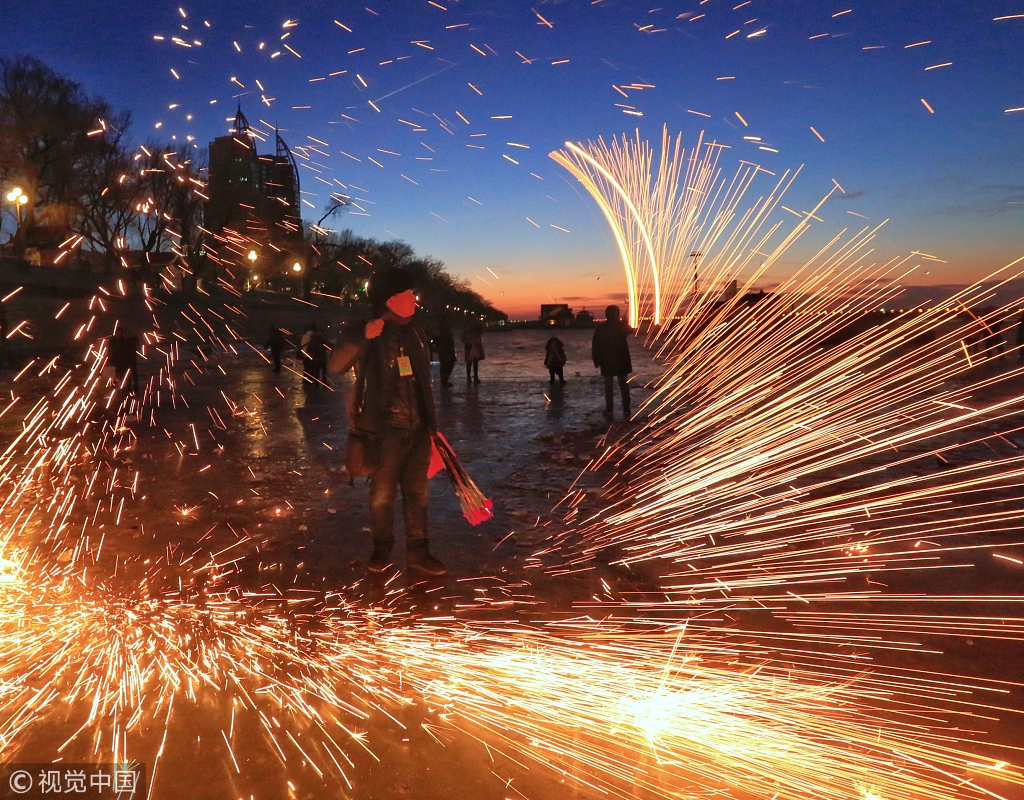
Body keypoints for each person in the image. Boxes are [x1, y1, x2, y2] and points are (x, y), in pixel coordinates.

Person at [328, 267, 446, 576]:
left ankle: (419, 552)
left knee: (418, 494)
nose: (413, 300)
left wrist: (430, 424)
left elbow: (423, 379)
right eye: (406, 294)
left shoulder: (417, 331)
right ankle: (382, 548)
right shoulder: (364, 328)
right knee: (382, 495)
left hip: (419, 427)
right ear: (389, 300)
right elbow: (336, 365)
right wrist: (363, 339)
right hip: (384, 431)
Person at [592, 305, 632, 420]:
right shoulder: (620, 327)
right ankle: (626, 409)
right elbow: (630, 330)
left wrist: (596, 359)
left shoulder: (602, 328)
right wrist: (625, 323)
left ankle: (610, 409)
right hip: (620, 359)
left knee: (610, 386)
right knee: (622, 385)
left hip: (608, 360)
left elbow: (596, 345)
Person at [109, 327, 140, 394]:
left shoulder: (126, 340)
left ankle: (131, 387)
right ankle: (129, 387)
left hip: (128, 359)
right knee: (125, 374)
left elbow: (121, 350)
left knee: (129, 374)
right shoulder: (122, 340)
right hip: (124, 360)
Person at [433, 316, 457, 387]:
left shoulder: (444, 330)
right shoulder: (442, 330)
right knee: (446, 366)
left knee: (447, 365)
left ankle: (444, 381)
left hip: (447, 350)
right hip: (445, 351)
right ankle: (444, 382)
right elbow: (436, 339)